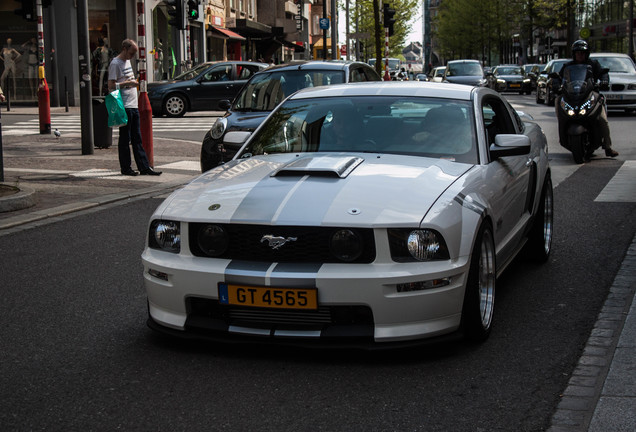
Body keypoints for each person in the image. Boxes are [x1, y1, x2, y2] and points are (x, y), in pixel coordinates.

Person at [108, 39, 161, 176]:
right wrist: (127, 83)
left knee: (137, 137)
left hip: (133, 104)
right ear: (124, 49)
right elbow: (111, 86)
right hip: (124, 105)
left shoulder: (127, 61)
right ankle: (126, 168)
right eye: (131, 53)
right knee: (125, 138)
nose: (132, 57)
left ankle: (144, 167)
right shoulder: (115, 63)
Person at [557, 39, 618, 158]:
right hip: (573, 95)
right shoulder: (568, 66)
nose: (580, 55)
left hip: (590, 95)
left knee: (602, 119)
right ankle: (563, 134)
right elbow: (559, 77)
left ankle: (608, 147)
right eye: (577, 52)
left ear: (587, 53)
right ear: (573, 54)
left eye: (582, 52)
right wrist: (555, 83)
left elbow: (602, 73)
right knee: (558, 101)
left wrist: (604, 80)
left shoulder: (593, 64)